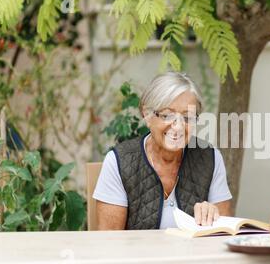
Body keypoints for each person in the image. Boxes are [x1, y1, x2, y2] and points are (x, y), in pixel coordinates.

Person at [93, 72, 232, 230]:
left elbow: (225, 234)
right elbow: (110, 241)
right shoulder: (119, 162)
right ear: (147, 115)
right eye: (167, 115)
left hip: (193, 255)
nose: (178, 127)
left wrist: (213, 216)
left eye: (187, 118)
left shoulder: (210, 158)